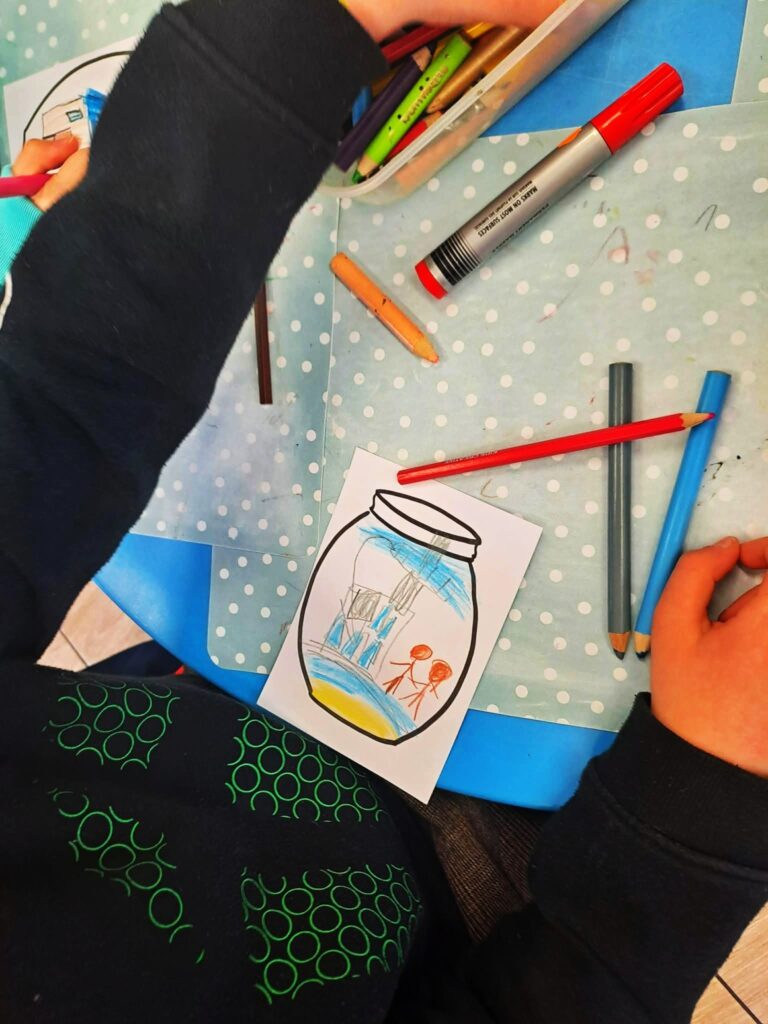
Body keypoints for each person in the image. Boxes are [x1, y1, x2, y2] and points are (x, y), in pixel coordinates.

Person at [0, 1, 765, 1021]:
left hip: (194, 733)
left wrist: (309, 22)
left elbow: (57, 410)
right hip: (484, 911)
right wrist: (701, 799)